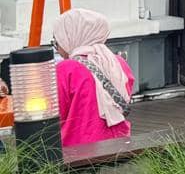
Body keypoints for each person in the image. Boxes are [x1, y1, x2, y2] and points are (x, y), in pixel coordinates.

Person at [52, 9, 134, 147]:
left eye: (57, 42)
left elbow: (55, 116)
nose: (57, 49)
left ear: (71, 37)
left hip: (79, 148)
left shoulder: (66, 69)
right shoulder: (118, 63)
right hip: (120, 143)